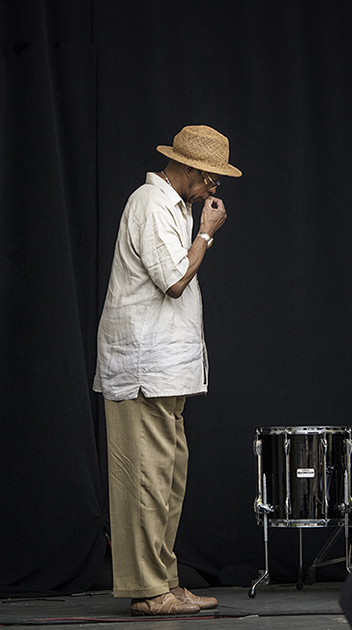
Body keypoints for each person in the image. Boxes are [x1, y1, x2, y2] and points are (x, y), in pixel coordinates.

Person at [93, 125, 241, 616]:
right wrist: (206, 233)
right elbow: (175, 280)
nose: (214, 190)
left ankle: (165, 584)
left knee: (168, 482)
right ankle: (147, 590)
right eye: (212, 180)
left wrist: (197, 228)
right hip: (142, 370)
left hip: (165, 372)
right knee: (145, 483)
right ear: (192, 169)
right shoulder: (151, 203)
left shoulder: (172, 206)